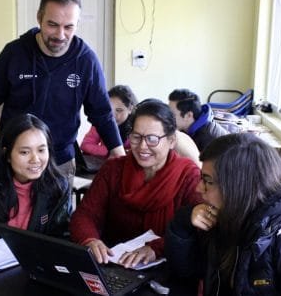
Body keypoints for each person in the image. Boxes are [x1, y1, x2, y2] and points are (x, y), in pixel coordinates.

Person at [0, 0, 125, 190]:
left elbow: (102, 113)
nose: (60, 35)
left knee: (55, 220)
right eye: (52, 24)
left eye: (69, 27)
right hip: (12, 160)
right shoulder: (14, 53)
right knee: (8, 219)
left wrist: (120, 156)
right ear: (39, 18)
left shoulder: (86, 61)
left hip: (60, 162)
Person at [165, 133, 281, 295]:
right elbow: (187, 272)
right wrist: (183, 223)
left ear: (238, 188)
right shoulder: (231, 215)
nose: (198, 188)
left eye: (208, 181)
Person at [69, 99, 203, 268]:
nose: (142, 147)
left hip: (167, 268)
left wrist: (157, 248)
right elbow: (85, 214)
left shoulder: (188, 176)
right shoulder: (113, 169)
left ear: (171, 141)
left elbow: (197, 232)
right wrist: (89, 240)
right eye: (136, 137)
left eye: (152, 139)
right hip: (113, 263)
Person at [0, 113, 71, 245]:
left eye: (41, 150)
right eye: (24, 152)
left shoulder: (58, 186)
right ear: (7, 155)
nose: (35, 159)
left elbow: (62, 239)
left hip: (39, 262)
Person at [80, 85, 138, 157]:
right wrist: (112, 150)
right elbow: (85, 145)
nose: (113, 116)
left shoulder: (137, 126)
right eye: (109, 110)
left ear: (130, 109)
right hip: (106, 164)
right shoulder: (102, 123)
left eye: (119, 110)